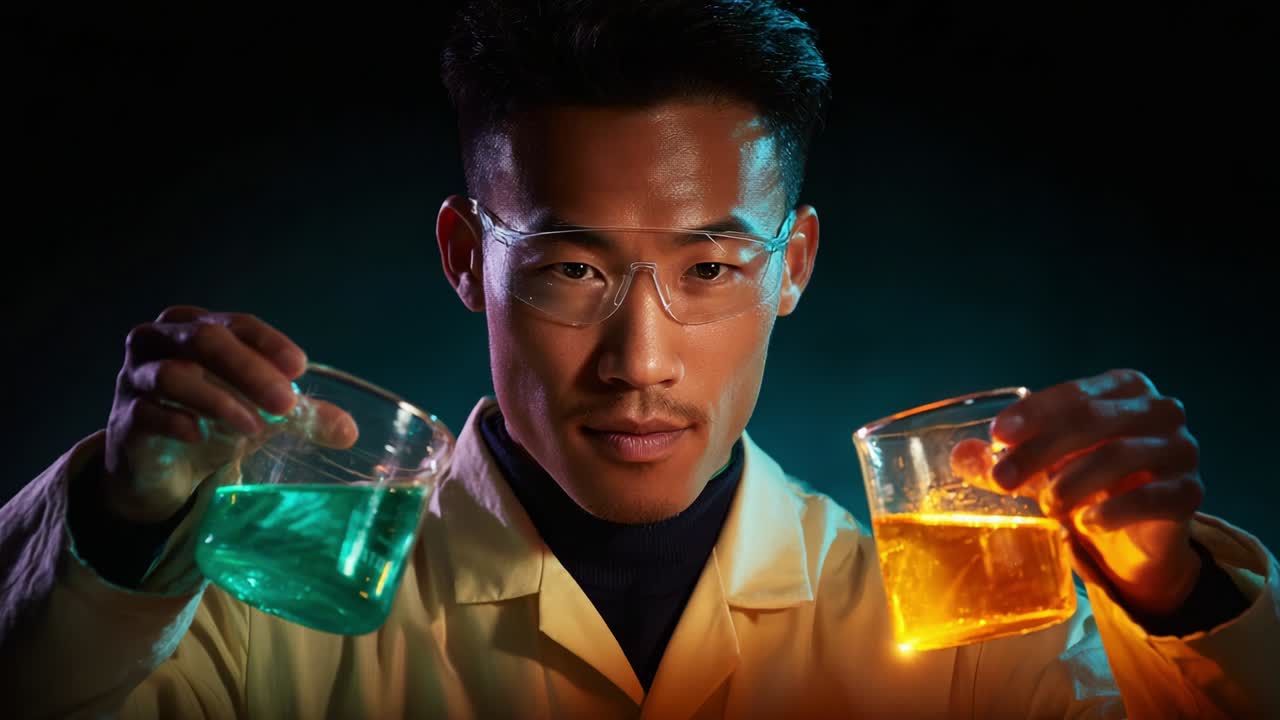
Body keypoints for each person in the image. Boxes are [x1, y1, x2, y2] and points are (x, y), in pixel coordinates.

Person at [2, 1, 1277, 717]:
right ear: (464, 255)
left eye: (710, 268)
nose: (638, 360)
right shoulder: (236, 611)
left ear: (794, 265)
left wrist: (1178, 602)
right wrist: (116, 529)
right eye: (570, 267)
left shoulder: (965, 636)